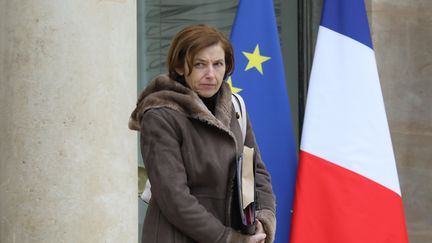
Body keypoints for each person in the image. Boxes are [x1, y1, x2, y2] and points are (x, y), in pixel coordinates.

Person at [129, 24, 276, 243]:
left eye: (218, 64)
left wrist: (263, 221)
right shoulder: (160, 115)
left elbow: (256, 173)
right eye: (200, 64)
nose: (211, 74)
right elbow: (174, 198)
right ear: (179, 67)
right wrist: (229, 239)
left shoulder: (235, 107)